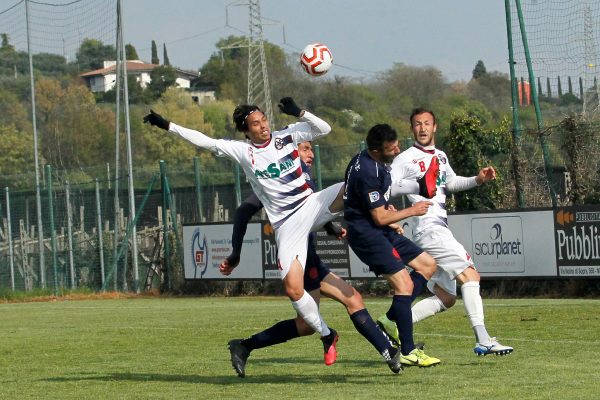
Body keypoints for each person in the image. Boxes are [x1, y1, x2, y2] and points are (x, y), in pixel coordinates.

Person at [143, 98, 403, 370]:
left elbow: (324, 129)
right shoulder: (243, 151)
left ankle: (386, 211)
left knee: (350, 186)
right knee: (293, 290)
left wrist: (299, 111)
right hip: (287, 224)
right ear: (247, 131)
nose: (263, 125)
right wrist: (167, 125)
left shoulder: (286, 136)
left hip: (310, 205)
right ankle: (328, 334)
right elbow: (204, 141)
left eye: (264, 119)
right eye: (256, 123)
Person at [223, 141, 405, 376]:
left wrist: (332, 227)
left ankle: (389, 352)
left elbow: (313, 211)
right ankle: (389, 352)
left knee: (345, 303)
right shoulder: (276, 183)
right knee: (327, 313)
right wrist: (236, 252)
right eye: (305, 149)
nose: (311, 154)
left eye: (311, 149)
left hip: (310, 256)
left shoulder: (303, 178)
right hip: (301, 260)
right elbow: (243, 210)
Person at [379, 107, 513, 356]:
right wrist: (388, 214)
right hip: (429, 228)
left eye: (427, 123)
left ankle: (394, 322)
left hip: (436, 229)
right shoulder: (405, 158)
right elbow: (387, 187)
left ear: (434, 127)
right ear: (412, 129)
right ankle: (483, 339)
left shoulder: (440, 156)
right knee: (470, 276)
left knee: (446, 297)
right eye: (417, 124)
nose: (422, 128)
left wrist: (477, 180)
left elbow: (450, 183)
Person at [343, 123, 441, 368]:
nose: (397, 148)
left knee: (428, 265)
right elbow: (377, 217)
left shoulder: (372, 162)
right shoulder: (366, 170)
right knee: (405, 284)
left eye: (397, 143)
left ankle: (390, 319)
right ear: (377, 151)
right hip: (367, 235)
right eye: (391, 147)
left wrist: (389, 213)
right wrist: (411, 210)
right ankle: (407, 350)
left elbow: (375, 208)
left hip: (379, 228)